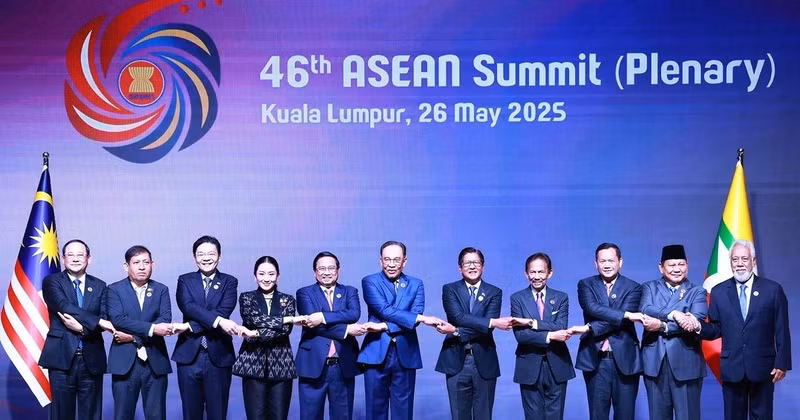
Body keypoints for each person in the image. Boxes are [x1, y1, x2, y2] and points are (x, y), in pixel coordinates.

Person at [687, 239, 791, 420]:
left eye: (744, 258)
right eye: (735, 259)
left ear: (754, 261)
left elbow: (782, 329)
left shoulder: (772, 290)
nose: (740, 264)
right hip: (732, 367)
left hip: (763, 367)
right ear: (730, 263)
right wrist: (697, 326)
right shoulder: (719, 291)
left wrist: (782, 362)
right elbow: (715, 329)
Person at [358, 241, 446, 420]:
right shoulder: (370, 281)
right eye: (387, 259)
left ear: (404, 261)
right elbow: (385, 310)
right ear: (380, 261)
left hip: (405, 353)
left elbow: (413, 318)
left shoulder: (416, 284)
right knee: (375, 411)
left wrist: (383, 326)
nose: (391, 264)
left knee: (403, 412)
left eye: (396, 260)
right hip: (376, 353)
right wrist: (420, 318)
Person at [39, 239, 115, 420]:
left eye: (80, 255)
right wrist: (97, 321)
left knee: (91, 414)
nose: (75, 259)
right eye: (70, 255)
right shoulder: (52, 281)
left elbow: (105, 318)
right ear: (63, 259)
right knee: (61, 415)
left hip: (91, 359)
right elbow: (63, 305)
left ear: (89, 259)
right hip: (61, 360)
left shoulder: (100, 285)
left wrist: (82, 329)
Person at [434, 247, 512, 420]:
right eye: (467, 263)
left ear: (482, 266)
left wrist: (455, 330)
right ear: (460, 267)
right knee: (459, 415)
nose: (472, 266)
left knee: (484, 415)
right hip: (456, 360)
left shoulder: (494, 292)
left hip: (484, 360)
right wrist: (491, 322)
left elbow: (486, 329)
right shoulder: (450, 289)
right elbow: (458, 316)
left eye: (476, 262)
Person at [171, 235, 240, 420]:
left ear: (219, 256)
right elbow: (188, 306)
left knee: (217, 414)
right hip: (189, 356)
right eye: (201, 254)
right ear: (195, 257)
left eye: (211, 253)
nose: (206, 257)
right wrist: (218, 322)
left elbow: (224, 311)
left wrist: (189, 326)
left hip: (218, 355)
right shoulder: (184, 280)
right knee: (190, 414)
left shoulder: (229, 282)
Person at [572, 242, 643, 420]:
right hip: (596, 361)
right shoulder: (585, 285)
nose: (607, 265)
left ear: (620, 262)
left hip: (625, 361)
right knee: (597, 416)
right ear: (596, 263)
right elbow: (591, 308)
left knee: (626, 416)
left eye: (611, 260)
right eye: (602, 261)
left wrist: (590, 328)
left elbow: (617, 322)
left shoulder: (634, 287)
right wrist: (625, 314)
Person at [639, 245, 707, 420]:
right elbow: (646, 309)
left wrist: (663, 326)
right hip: (655, 364)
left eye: (681, 264)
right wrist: (674, 314)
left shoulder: (697, 291)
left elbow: (695, 321)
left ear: (687, 266)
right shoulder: (649, 288)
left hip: (687, 363)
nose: (677, 269)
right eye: (671, 265)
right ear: (661, 267)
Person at [295, 251, 366, 420]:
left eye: (331, 268)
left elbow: (354, 314)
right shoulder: (304, 293)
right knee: (310, 416)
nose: (326, 272)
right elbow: (313, 326)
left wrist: (323, 317)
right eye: (322, 268)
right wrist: (347, 330)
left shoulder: (350, 291)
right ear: (315, 272)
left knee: (343, 416)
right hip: (312, 365)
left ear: (338, 270)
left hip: (343, 365)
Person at [106, 245, 173, 420]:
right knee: (123, 415)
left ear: (153, 264)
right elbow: (118, 319)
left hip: (155, 362)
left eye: (146, 262)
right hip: (124, 363)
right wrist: (152, 329)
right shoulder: (114, 290)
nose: (142, 267)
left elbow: (164, 320)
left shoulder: (161, 290)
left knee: (157, 415)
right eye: (136, 262)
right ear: (126, 266)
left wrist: (132, 337)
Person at [233, 256, 304, 420]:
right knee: (255, 416)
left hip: (282, 365)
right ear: (255, 275)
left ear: (278, 276)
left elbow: (284, 331)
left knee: (279, 416)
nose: (266, 278)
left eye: (271, 274)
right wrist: (288, 318)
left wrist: (256, 333)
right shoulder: (246, 297)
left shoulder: (288, 300)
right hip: (251, 364)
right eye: (262, 274)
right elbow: (253, 319)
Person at [509, 252, 576, 420]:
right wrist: (550, 336)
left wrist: (532, 323)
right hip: (529, 365)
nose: (537, 276)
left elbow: (561, 326)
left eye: (541, 272)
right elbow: (521, 336)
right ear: (526, 273)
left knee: (555, 416)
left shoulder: (561, 297)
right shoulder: (517, 299)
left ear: (550, 273)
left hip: (557, 364)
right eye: (533, 272)